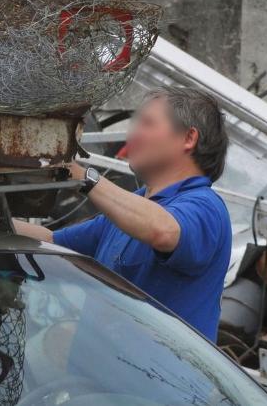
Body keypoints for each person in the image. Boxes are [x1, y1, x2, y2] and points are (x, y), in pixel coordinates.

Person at [14, 86, 231, 341]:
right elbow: (50, 241)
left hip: (158, 380)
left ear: (188, 138)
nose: (133, 134)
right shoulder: (135, 205)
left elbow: (164, 231)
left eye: (147, 124)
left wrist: (81, 174)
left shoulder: (205, 206)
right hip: (102, 377)